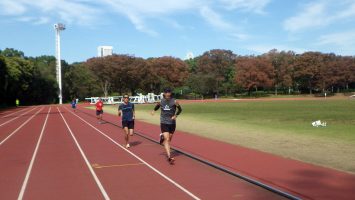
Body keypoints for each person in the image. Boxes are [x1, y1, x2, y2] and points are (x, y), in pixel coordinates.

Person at [151, 88, 182, 164]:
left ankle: (162, 137)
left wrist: (176, 115)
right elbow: (158, 106)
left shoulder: (174, 101)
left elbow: (180, 110)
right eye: (166, 93)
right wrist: (154, 110)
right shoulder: (161, 101)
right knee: (167, 139)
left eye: (169, 92)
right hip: (164, 122)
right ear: (164, 94)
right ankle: (169, 157)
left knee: (168, 140)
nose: (168, 94)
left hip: (172, 123)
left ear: (170, 93)